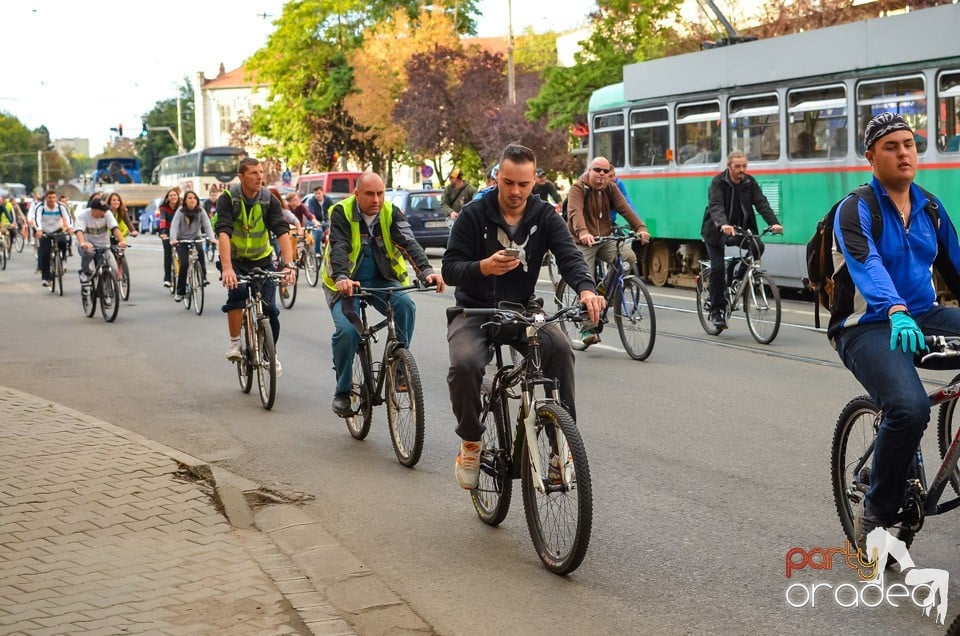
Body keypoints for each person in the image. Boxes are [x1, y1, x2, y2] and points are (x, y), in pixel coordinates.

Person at [830, 112, 960, 552]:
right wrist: (897, 310)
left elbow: (956, 270)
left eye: (909, 144)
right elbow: (868, 266)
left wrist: (912, 312)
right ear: (871, 156)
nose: (904, 152)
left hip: (922, 315)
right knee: (907, 407)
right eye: (892, 146)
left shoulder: (931, 208)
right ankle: (877, 514)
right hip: (866, 324)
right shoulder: (856, 208)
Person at [442, 143, 605, 489]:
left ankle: (561, 447)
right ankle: (471, 442)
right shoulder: (473, 214)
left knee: (560, 350)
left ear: (535, 182)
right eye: (508, 183)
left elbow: (569, 257)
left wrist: (587, 289)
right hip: (474, 309)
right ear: (497, 178)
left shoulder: (545, 215)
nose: (515, 192)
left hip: (523, 309)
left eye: (524, 184)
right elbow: (450, 269)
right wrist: (483, 267)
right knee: (465, 364)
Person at [321, 172, 444, 416]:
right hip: (346, 283)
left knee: (406, 306)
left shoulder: (391, 212)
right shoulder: (341, 212)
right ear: (357, 194)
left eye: (380, 193)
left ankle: (399, 366)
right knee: (347, 331)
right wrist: (342, 278)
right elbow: (340, 246)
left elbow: (409, 243)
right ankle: (343, 390)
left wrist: (427, 271)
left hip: (382, 279)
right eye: (369, 194)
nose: (376, 199)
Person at [217, 158, 296, 373]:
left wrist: (288, 265)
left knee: (270, 309)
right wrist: (227, 268)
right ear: (241, 176)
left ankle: (270, 351)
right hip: (235, 261)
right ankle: (235, 343)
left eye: (261, 172)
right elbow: (223, 232)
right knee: (238, 294)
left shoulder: (268, 199)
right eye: (253, 173)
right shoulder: (228, 199)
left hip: (262, 259)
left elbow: (281, 230)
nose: (260, 176)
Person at [565, 155, 651, 349]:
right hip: (582, 241)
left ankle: (603, 289)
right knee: (585, 279)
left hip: (604, 238)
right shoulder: (578, 188)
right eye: (597, 170)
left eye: (605, 171)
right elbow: (575, 213)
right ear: (589, 170)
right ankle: (588, 327)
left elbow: (625, 208)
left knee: (628, 258)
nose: (601, 175)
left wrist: (640, 228)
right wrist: (584, 232)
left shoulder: (610, 188)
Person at [700, 150, 783, 330]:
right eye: (737, 167)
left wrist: (774, 223)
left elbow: (761, 203)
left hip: (739, 230)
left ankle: (737, 279)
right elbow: (716, 206)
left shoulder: (749, 182)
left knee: (758, 246)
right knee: (718, 268)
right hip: (716, 232)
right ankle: (716, 311)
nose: (741, 170)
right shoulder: (718, 183)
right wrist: (722, 224)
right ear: (729, 167)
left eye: (744, 166)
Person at [169, 190, 215, 301]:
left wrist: (212, 238)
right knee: (184, 264)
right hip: (181, 241)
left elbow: (207, 225)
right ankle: (180, 292)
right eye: (189, 198)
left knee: (200, 255)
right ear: (185, 200)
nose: (192, 200)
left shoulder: (201, 211)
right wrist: (173, 239)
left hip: (196, 238)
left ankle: (203, 278)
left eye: (194, 198)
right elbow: (174, 226)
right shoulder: (180, 211)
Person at [75, 198, 127, 283]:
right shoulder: (83, 215)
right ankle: (85, 272)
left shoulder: (107, 214)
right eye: (102, 210)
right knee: (89, 253)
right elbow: (79, 230)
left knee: (114, 269)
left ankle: (107, 287)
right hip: (88, 245)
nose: (104, 212)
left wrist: (122, 240)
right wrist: (82, 242)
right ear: (94, 210)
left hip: (104, 246)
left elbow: (114, 228)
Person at [31, 190, 73, 287]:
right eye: (50, 198)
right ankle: (46, 277)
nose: (52, 200)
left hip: (57, 230)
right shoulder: (40, 207)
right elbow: (37, 219)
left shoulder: (60, 206)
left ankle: (62, 259)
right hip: (44, 231)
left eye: (54, 197)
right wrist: (39, 230)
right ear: (46, 198)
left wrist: (70, 227)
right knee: (44, 253)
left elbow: (68, 217)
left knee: (63, 242)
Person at [157, 189, 180, 288]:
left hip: (179, 233)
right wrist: (162, 233)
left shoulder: (181, 207)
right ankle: (167, 279)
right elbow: (162, 220)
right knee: (168, 254)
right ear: (167, 198)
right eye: (171, 195)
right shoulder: (163, 207)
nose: (173, 197)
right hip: (166, 232)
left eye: (175, 195)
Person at [305, 184, 334, 254]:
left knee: (331, 232)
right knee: (318, 231)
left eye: (319, 193)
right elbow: (311, 214)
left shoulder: (328, 199)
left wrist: (331, 221)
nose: (317, 195)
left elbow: (332, 210)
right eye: (316, 194)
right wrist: (316, 222)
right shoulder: (311, 201)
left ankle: (331, 250)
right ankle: (317, 252)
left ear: (323, 192)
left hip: (326, 221)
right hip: (315, 220)